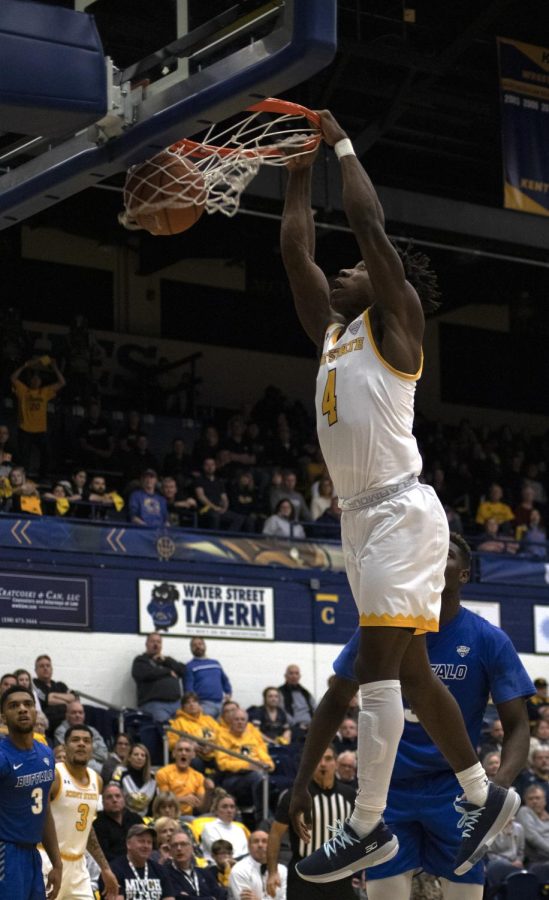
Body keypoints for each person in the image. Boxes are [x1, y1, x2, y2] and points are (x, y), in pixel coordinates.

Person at [279, 108, 521, 880]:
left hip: (398, 508)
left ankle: (367, 823)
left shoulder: (397, 329)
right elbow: (296, 256)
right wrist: (291, 177)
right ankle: (483, 792)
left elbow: (367, 223)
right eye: (343, 270)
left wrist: (337, 145)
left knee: (378, 670)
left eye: (357, 270)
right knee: (409, 671)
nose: (346, 271)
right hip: (357, 521)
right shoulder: (332, 335)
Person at [283, 534, 534, 898]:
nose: (433, 559)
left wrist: (497, 789)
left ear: (464, 574)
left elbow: (518, 726)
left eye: (445, 555)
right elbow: (334, 701)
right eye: (428, 552)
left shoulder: (488, 639)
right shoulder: (379, 632)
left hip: (455, 791)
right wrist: (300, 782)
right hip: (390, 791)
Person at [267, 746, 355, 900]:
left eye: (328, 759)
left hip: (340, 874)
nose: (322, 764)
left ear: (335, 763)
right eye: (317, 759)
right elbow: (275, 833)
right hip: (304, 876)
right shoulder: (295, 796)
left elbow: (360, 834)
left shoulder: (349, 795)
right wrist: (272, 872)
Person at [42, 724, 118, 899]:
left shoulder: (96, 780)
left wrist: (105, 869)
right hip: (48, 861)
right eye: (75, 740)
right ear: (65, 746)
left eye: (86, 741)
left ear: (92, 747)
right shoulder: (54, 775)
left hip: (78, 866)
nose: (81, 744)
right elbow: (37, 817)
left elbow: (87, 828)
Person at [0, 685, 62, 899]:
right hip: (6, 853)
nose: (22, 709)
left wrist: (57, 863)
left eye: (28, 704)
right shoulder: (2, 757)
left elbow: (44, 811)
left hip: (32, 854)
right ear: (3, 716)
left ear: (36, 712)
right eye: (14, 706)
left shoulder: (45, 754)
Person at [11, 356, 65, 478]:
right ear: (30, 381)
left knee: (47, 454)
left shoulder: (44, 392)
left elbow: (62, 383)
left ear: (40, 382)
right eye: (33, 379)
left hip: (40, 430)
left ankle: (42, 477)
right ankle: (23, 479)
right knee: (24, 458)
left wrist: (55, 368)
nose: (36, 380)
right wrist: (25, 365)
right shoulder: (23, 391)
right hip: (25, 429)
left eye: (38, 379)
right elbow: (13, 378)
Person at [215, 710, 274, 822]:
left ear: (247, 723)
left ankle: (268, 814)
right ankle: (263, 816)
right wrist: (247, 765)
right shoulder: (223, 736)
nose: (240, 722)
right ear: (231, 722)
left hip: (255, 774)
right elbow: (222, 763)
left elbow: (265, 757)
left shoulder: (252, 737)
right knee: (258, 777)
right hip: (232, 778)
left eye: (243, 720)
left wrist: (267, 765)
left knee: (264, 778)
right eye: (237, 719)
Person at [104, 823, 174, 899]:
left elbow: (169, 898)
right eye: (141, 841)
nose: (146, 846)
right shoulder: (114, 870)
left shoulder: (160, 870)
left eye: (149, 842)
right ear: (128, 844)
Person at [132, 632, 186, 723]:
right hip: (154, 704)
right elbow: (145, 674)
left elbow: (183, 670)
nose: (156, 644)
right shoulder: (141, 660)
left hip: (176, 704)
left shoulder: (167, 661)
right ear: (146, 644)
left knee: (184, 731)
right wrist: (168, 671)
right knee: (166, 731)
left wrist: (166, 660)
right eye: (152, 641)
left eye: (158, 642)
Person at [155, 738, 213, 818]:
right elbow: (163, 802)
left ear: (193, 755)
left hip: (187, 817)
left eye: (187, 750)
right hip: (168, 816)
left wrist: (208, 792)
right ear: (174, 754)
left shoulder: (199, 777)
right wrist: (183, 799)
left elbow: (202, 809)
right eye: (180, 750)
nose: (183, 753)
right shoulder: (163, 773)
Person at [164, 830, 226, 899]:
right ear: (170, 851)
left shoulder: (204, 873)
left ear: (192, 848)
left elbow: (221, 895)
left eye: (183, 844)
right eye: (175, 845)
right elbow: (179, 898)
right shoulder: (165, 873)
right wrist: (211, 898)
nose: (179, 848)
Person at [53, 700, 109, 774]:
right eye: (74, 712)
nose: (77, 715)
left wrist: (83, 752)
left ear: (84, 715)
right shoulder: (61, 731)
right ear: (67, 715)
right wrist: (91, 749)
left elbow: (104, 754)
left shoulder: (92, 730)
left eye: (80, 712)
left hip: (97, 769)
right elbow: (70, 753)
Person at [229, 830, 287, 900]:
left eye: (265, 841)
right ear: (249, 846)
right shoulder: (239, 870)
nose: (260, 845)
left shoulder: (282, 870)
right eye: (256, 841)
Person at [93, 783, 143, 862]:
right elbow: (102, 853)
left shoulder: (135, 819)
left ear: (124, 800)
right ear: (103, 803)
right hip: (113, 866)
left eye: (118, 796)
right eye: (109, 797)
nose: (114, 800)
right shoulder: (97, 824)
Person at [184, 639, 232, 719]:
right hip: (204, 705)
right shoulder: (190, 666)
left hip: (221, 704)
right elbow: (189, 688)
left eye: (200, 644)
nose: (198, 646)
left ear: (205, 646)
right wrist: (196, 705)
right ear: (191, 649)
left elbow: (224, 680)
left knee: (220, 730)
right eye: (194, 645)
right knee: (206, 730)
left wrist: (228, 692)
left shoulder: (215, 663)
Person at [33, 654, 76, 737]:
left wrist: (53, 695)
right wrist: (66, 702)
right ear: (36, 670)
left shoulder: (60, 685)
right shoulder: (35, 684)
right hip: (49, 725)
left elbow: (74, 698)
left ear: (52, 669)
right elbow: (48, 700)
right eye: (41, 666)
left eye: (48, 666)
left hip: (67, 722)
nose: (45, 668)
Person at [199, 794, 250, 862]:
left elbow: (245, 851)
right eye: (224, 807)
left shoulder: (239, 829)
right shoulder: (209, 828)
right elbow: (219, 852)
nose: (229, 810)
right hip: (216, 867)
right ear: (216, 810)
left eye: (232, 807)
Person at [112, 743, 157, 818]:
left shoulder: (153, 778)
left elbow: (154, 804)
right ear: (129, 757)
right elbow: (113, 796)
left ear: (146, 759)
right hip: (123, 817)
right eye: (136, 754)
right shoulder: (119, 773)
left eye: (143, 755)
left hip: (147, 819)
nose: (139, 758)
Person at [277, 665, 315, 740]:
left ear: (299, 676)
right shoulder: (280, 692)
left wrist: (314, 723)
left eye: (296, 673)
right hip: (294, 727)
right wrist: (297, 725)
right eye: (291, 673)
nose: (294, 676)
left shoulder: (306, 693)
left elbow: (315, 709)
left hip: (311, 726)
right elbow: (281, 711)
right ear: (285, 676)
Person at [516, 784, 549, 864]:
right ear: (526, 801)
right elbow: (532, 837)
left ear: (544, 801)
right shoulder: (524, 811)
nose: (534, 801)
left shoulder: (546, 815)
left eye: (537, 798)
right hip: (538, 860)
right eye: (530, 799)